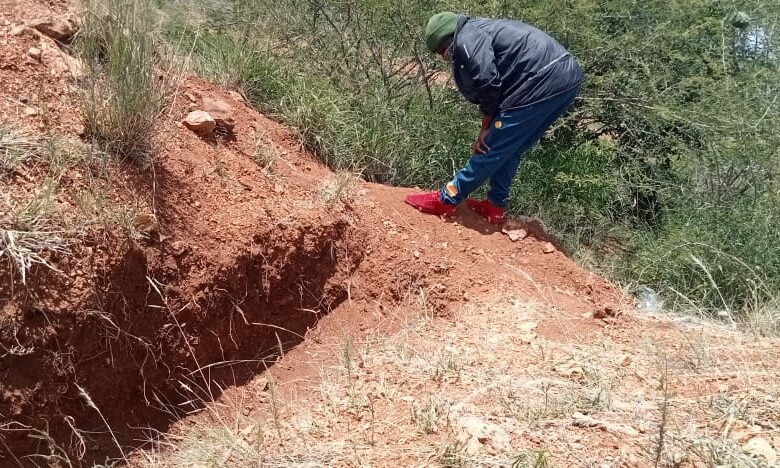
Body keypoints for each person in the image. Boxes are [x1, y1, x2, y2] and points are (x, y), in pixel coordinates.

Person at [405, 12, 585, 224]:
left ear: (446, 40)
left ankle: (447, 198)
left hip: (541, 80)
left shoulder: (465, 39)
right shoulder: (479, 29)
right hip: (566, 78)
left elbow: (487, 80)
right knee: (512, 146)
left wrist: (486, 125)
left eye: (439, 51)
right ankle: (494, 206)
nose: (442, 57)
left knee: (492, 146)